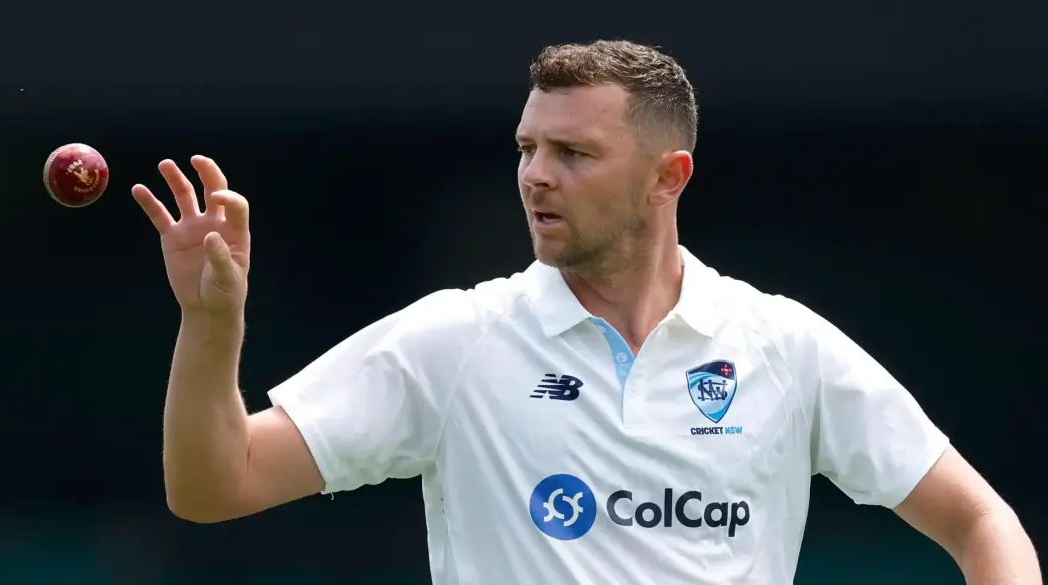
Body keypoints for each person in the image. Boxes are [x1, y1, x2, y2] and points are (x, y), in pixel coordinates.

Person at [132, 40, 1040, 585]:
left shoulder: (781, 344)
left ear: (665, 177)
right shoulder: (455, 340)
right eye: (527, 147)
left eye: (572, 152)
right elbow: (215, 486)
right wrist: (212, 328)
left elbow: (979, 520)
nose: (534, 174)